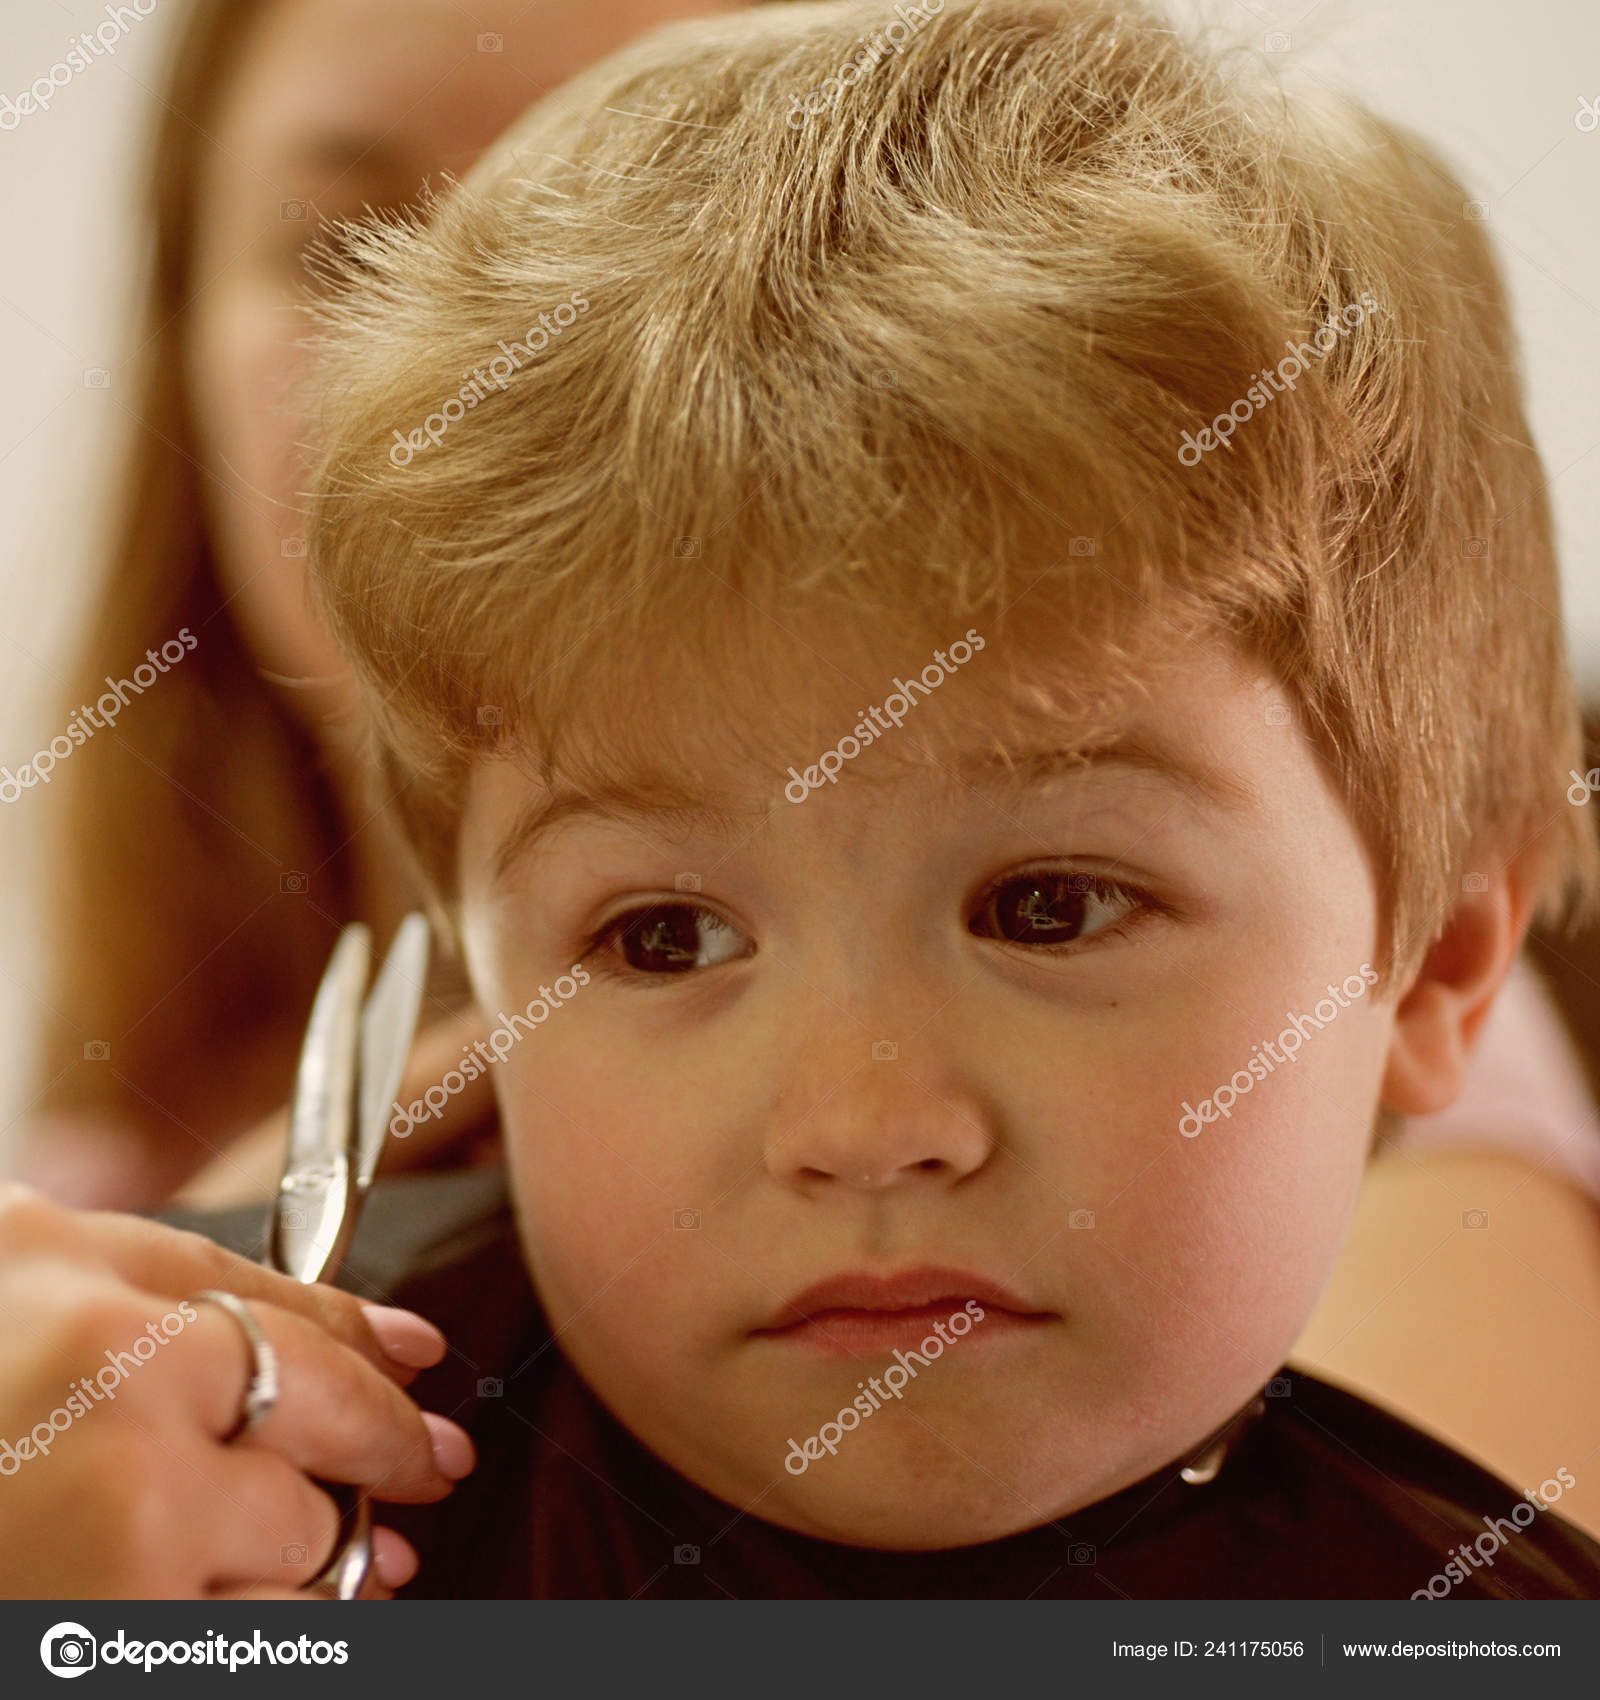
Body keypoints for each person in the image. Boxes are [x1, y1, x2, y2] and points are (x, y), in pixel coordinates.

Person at [177, 0, 1600, 1594]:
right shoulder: (180, 1522)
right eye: (664, 937)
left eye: (1048, 909)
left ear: (1440, 959)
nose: (863, 1129)